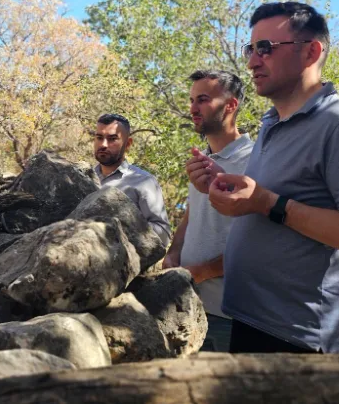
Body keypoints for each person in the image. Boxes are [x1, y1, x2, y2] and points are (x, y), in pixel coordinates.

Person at [207, 1, 339, 354]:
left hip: (297, 339)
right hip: (249, 319)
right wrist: (225, 182)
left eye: (266, 48)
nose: (251, 61)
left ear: (311, 52)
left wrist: (267, 203)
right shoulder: (271, 122)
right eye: (251, 48)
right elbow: (267, 198)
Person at [163, 69, 254, 352]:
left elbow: (260, 240)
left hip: (232, 316)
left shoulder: (257, 161)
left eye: (202, 99)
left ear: (230, 105)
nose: (192, 108)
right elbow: (193, 214)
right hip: (190, 308)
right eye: (191, 100)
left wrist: (201, 271)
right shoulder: (202, 160)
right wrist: (173, 253)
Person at [93, 113, 171, 244]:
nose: (104, 144)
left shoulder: (143, 181)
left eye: (112, 139)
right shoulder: (83, 178)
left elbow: (163, 234)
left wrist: (120, 230)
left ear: (128, 144)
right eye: (99, 137)